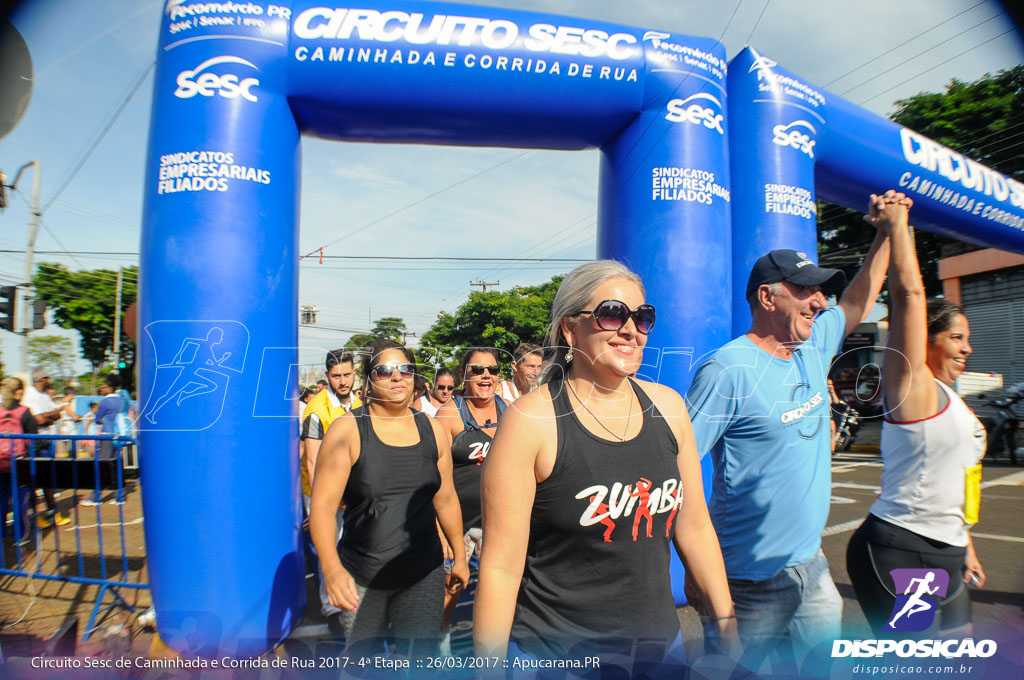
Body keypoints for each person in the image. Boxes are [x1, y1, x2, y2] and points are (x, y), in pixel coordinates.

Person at [474, 260, 735, 669]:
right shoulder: (531, 422)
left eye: (642, 317)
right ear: (569, 327)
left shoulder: (669, 408)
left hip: (660, 651)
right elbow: (501, 567)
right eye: (612, 314)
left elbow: (695, 524)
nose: (630, 329)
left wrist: (725, 619)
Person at [685, 212, 891, 670]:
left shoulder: (813, 346)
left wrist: (885, 234)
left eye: (821, 290)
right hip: (746, 580)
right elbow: (674, 468)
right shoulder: (728, 370)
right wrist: (701, 576)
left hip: (811, 567)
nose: (819, 301)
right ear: (767, 297)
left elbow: (858, 298)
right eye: (805, 290)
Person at [846, 191, 985, 638]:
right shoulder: (913, 386)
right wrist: (898, 224)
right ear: (928, 339)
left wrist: (967, 544)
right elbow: (908, 293)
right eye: (957, 337)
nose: (967, 348)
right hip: (904, 548)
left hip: (949, 547)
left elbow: (962, 479)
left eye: (967, 339)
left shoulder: (955, 401)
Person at [310, 339, 469, 656]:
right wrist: (331, 568)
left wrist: (461, 558)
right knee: (361, 664)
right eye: (385, 371)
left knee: (420, 662)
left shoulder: (433, 430)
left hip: (423, 573)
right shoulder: (347, 430)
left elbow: (446, 497)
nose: (397, 377)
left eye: (406, 370)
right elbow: (323, 508)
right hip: (362, 577)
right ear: (368, 379)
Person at [435, 347, 508, 653]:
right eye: (477, 370)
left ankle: (492, 647)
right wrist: (440, 531)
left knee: (498, 587)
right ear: (464, 375)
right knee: (451, 586)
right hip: (459, 523)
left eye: (491, 370)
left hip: (499, 521)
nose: (485, 376)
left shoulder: (510, 410)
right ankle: (438, 643)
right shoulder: (450, 414)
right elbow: (435, 479)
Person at [301, 349, 362, 618]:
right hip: (322, 490)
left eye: (347, 374)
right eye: (337, 376)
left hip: (352, 490)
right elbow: (312, 462)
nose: (343, 381)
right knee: (329, 546)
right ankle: (330, 608)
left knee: (352, 545)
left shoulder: (360, 405)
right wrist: (320, 505)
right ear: (327, 376)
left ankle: (352, 597)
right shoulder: (317, 411)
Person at [21, 368, 69, 526]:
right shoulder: (29, 394)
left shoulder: (44, 395)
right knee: (34, 480)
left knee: (46, 479)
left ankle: (49, 513)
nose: (49, 380)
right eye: (47, 377)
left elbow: (57, 413)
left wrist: (47, 416)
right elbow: (38, 420)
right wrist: (49, 416)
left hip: (46, 440)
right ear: (42, 379)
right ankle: (30, 515)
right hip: (34, 442)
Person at [1, 377, 40, 540]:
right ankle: (20, 534)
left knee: (2, 498)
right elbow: (34, 440)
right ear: (18, 392)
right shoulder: (25, 412)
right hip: (19, 463)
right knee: (20, 499)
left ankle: (1, 533)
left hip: (0, 462)